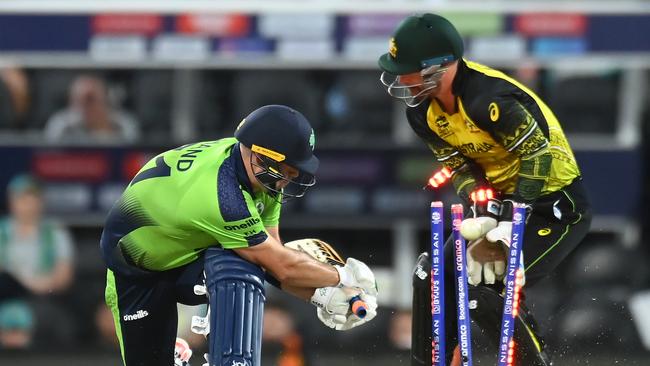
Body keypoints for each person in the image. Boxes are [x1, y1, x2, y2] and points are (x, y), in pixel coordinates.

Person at [378, 13, 591, 365]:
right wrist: (487, 204)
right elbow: (458, 166)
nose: (401, 79)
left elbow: (538, 157)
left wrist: (512, 213)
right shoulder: (421, 114)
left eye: (408, 69)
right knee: (435, 279)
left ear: (440, 66)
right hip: (501, 202)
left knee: (487, 288)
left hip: (554, 204)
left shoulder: (490, 100)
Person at [100, 104, 379, 366]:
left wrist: (323, 296)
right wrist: (342, 278)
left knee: (241, 262)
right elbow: (282, 264)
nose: (285, 181)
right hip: (136, 270)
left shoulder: (261, 177)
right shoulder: (223, 195)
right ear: (260, 154)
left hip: (185, 252)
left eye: (293, 173)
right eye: (285, 171)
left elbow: (272, 261)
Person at [44, 74, 140, 143]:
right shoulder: (61, 126)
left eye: (90, 99)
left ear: (105, 100)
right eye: (77, 100)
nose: (83, 106)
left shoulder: (123, 125)